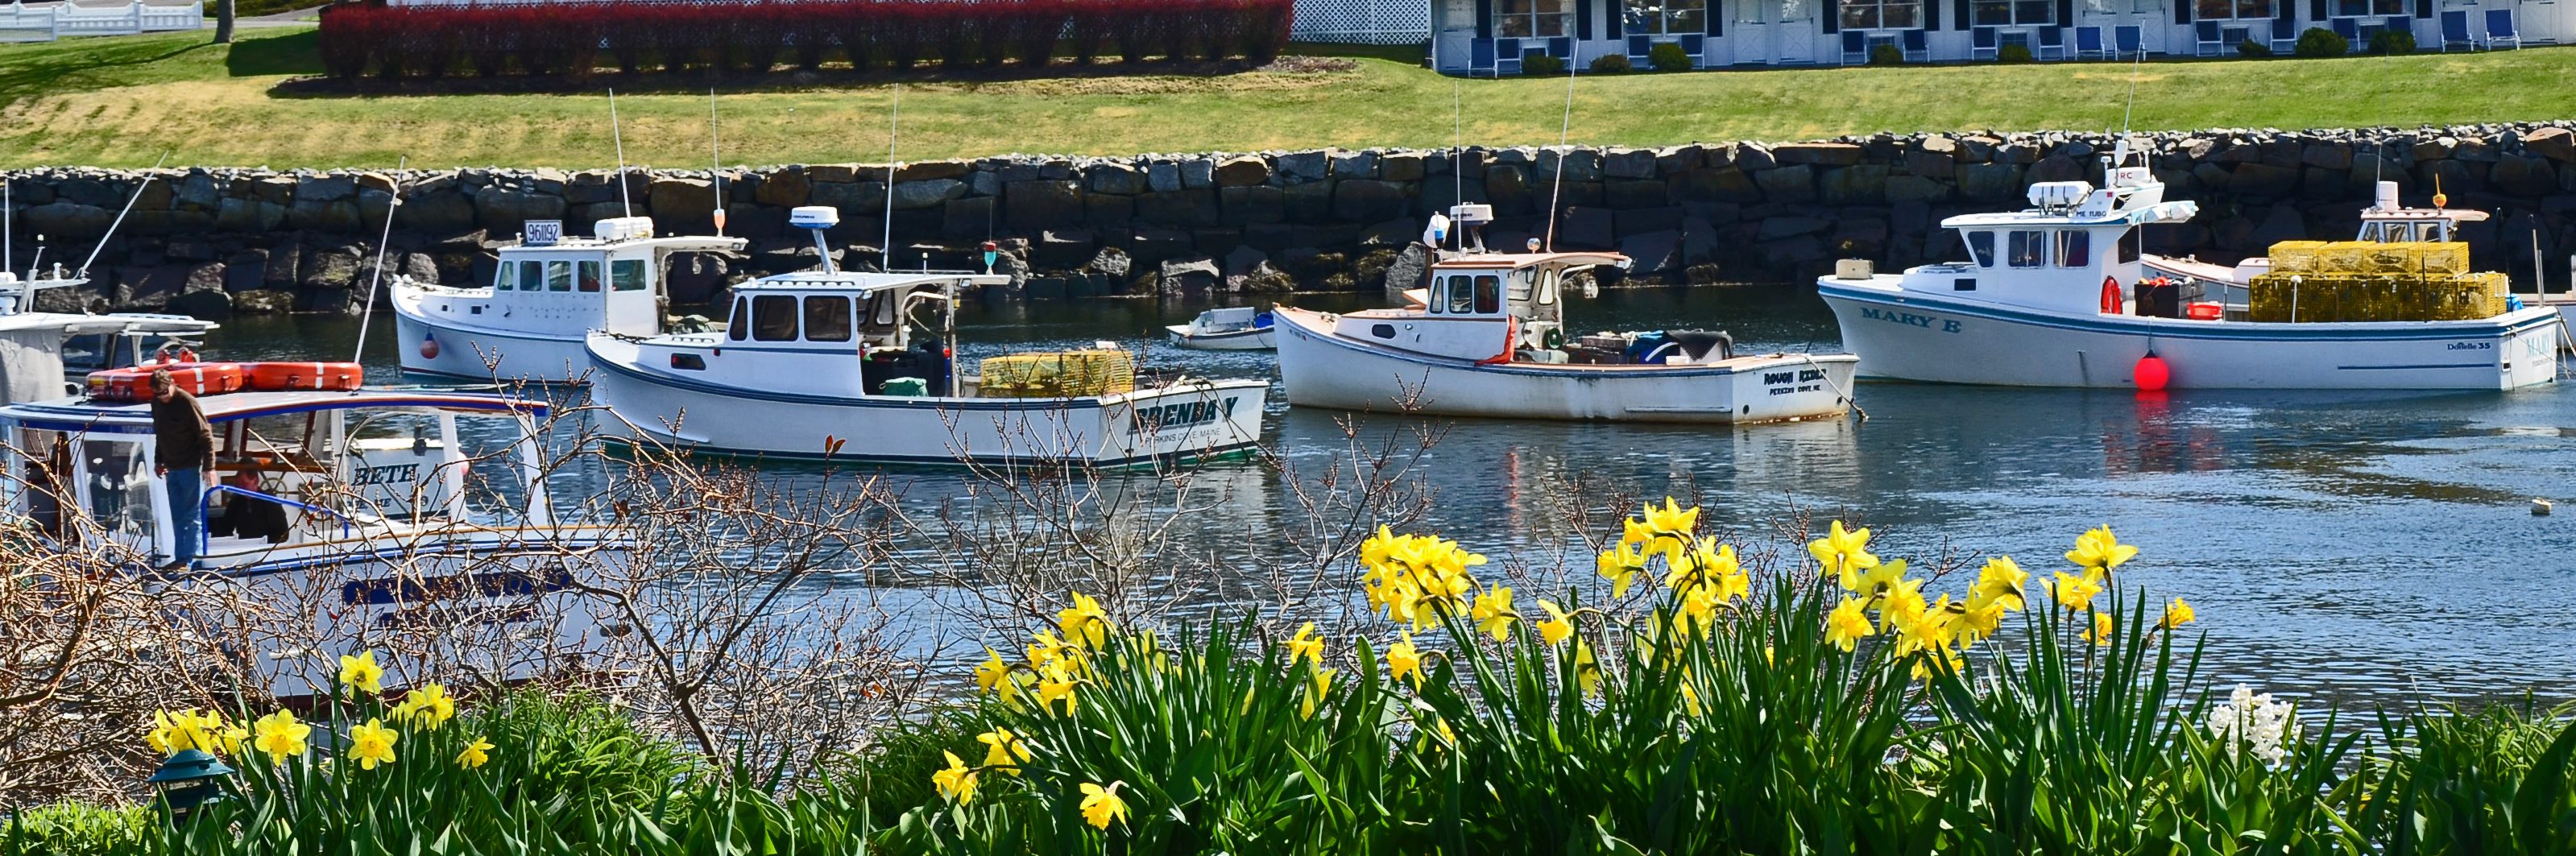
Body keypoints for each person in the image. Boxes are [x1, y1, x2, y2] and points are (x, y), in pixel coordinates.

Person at [150, 368, 214, 569]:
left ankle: (191, 560)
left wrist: (209, 467)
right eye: (158, 394)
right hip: (171, 467)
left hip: (191, 466)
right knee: (177, 514)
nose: (162, 397)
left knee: (192, 515)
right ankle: (180, 559)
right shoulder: (157, 404)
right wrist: (158, 460)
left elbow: (206, 435)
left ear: (173, 384)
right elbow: (160, 434)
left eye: (165, 392)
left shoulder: (187, 402)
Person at [209, 469, 288, 544]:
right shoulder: (235, 502)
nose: (240, 488)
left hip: (267, 548)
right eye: (238, 485)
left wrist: (264, 544)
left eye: (244, 484)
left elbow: (283, 533)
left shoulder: (271, 501)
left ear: (255, 481)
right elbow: (225, 528)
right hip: (244, 547)